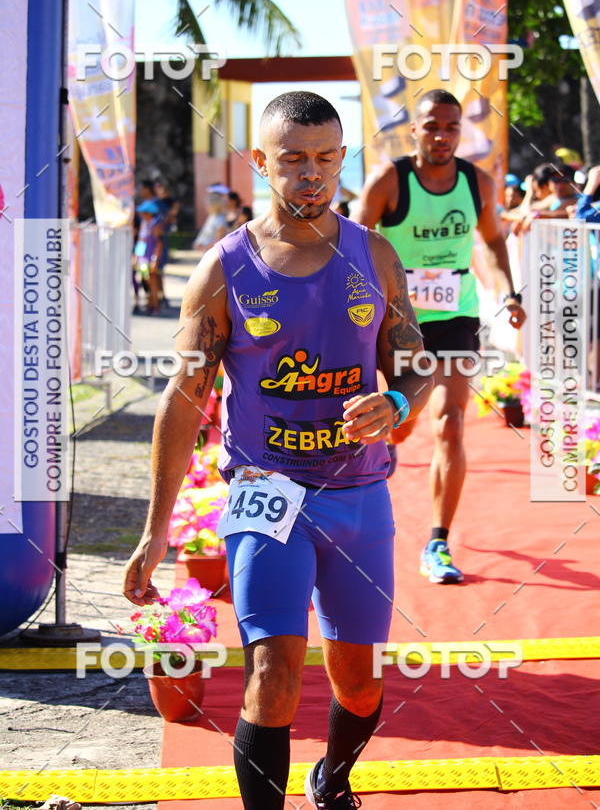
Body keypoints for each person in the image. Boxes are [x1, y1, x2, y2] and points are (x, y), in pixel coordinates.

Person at [123, 90, 433, 809]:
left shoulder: (375, 256)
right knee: (274, 673)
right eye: (292, 160)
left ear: (342, 160)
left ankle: (334, 778)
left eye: (326, 158)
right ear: (261, 162)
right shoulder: (223, 268)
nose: (311, 175)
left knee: (359, 679)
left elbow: (418, 363)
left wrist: (394, 402)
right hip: (267, 494)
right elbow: (183, 400)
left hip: (359, 495)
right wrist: (154, 531)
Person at [354, 88, 526, 584]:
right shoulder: (390, 179)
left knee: (450, 423)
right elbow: (352, 240)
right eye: (432, 126)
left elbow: (492, 238)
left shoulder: (478, 183)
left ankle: (437, 543)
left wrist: (507, 292)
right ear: (415, 130)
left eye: (451, 127)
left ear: (460, 132)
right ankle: (391, 441)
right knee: (401, 425)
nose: (442, 136)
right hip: (398, 320)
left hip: (456, 317)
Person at [153, 178, 179, 307]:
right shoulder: (154, 203)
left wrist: (164, 222)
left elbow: (172, 217)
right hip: (154, 239)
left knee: (159, 269)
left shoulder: (171, 202)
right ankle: (158, 295)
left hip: (162, 239)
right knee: (155, 271)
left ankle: (162, 296)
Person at [193, 183, 229, 253]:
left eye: (209, 203)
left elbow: (219, 240)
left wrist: (205, 247)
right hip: (207, 252)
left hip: (213, 254)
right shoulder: (212, 216)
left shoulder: (220, 219)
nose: (207, 206)